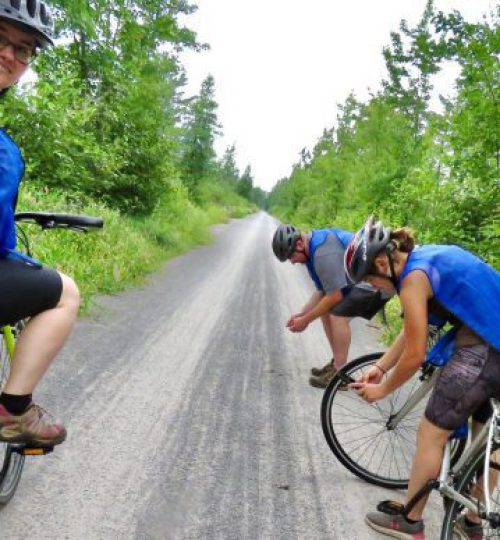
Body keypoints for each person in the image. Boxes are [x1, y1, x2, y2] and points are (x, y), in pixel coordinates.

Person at [344, 216, 500, 539]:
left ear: (383, 262)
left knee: (431, 432)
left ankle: (410, 521)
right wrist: (383, 366)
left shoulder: (413, 278)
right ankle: (472, 521)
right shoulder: (423, 259)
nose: (373, 287)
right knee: (487, 436)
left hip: (484, 350)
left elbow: (415, 354)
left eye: (370, 279)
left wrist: (382, 390)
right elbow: (414, 328)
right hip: (494, 345)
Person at [0, 0, 78, 446]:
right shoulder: (5, 151)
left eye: (24, 48)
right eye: (1, 40)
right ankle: (13, 411)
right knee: (65, 292)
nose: (11, 55)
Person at [272, 223, 389, 388]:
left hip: (378, 283)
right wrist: (301, 315)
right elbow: (322, 292)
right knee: (324, 311)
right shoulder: (312, 250)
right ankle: (337, 363)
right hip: (359, 280)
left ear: (299, 244)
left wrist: (306, 321)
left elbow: (335, 295)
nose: (292, 262)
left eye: (291, 256)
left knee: (337, 316)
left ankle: (339, 375)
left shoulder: (321, 253)